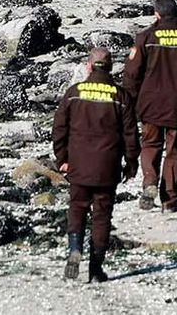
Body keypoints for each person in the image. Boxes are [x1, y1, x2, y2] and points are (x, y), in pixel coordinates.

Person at [52, 48, 139, 283]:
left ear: (89, 66)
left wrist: (62, 159)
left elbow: (59, 129)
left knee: (77, 208)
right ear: (110, 67)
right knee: (102, 217)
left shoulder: (73, 93)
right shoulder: (121, 97)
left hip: (78, 165)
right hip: (107, 167)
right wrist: (131, 164)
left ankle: (74, 249)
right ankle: (95, 269)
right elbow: (131, 135)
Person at [123, 0, 177, 213]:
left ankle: (150, 181)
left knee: (151, 145)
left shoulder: (146, 37)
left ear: (157, 14)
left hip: (151, 104)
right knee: (175, 152)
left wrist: (131, 102)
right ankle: (169, 201)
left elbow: (132, 75)